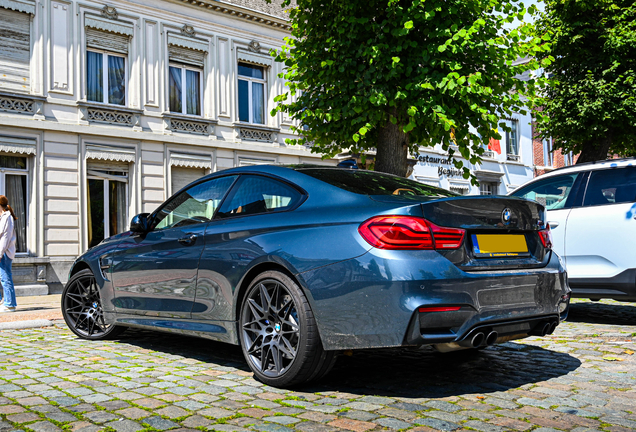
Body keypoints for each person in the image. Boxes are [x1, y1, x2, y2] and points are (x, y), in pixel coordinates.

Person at [0, 195, 17, 313]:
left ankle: (10, 304)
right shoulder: (3, 217)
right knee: (3, 277)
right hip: (2, 252)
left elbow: (6, 238)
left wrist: (0, 253)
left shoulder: (7, 218)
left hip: (4, 253)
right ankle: (4, 301)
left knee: (5, 278)